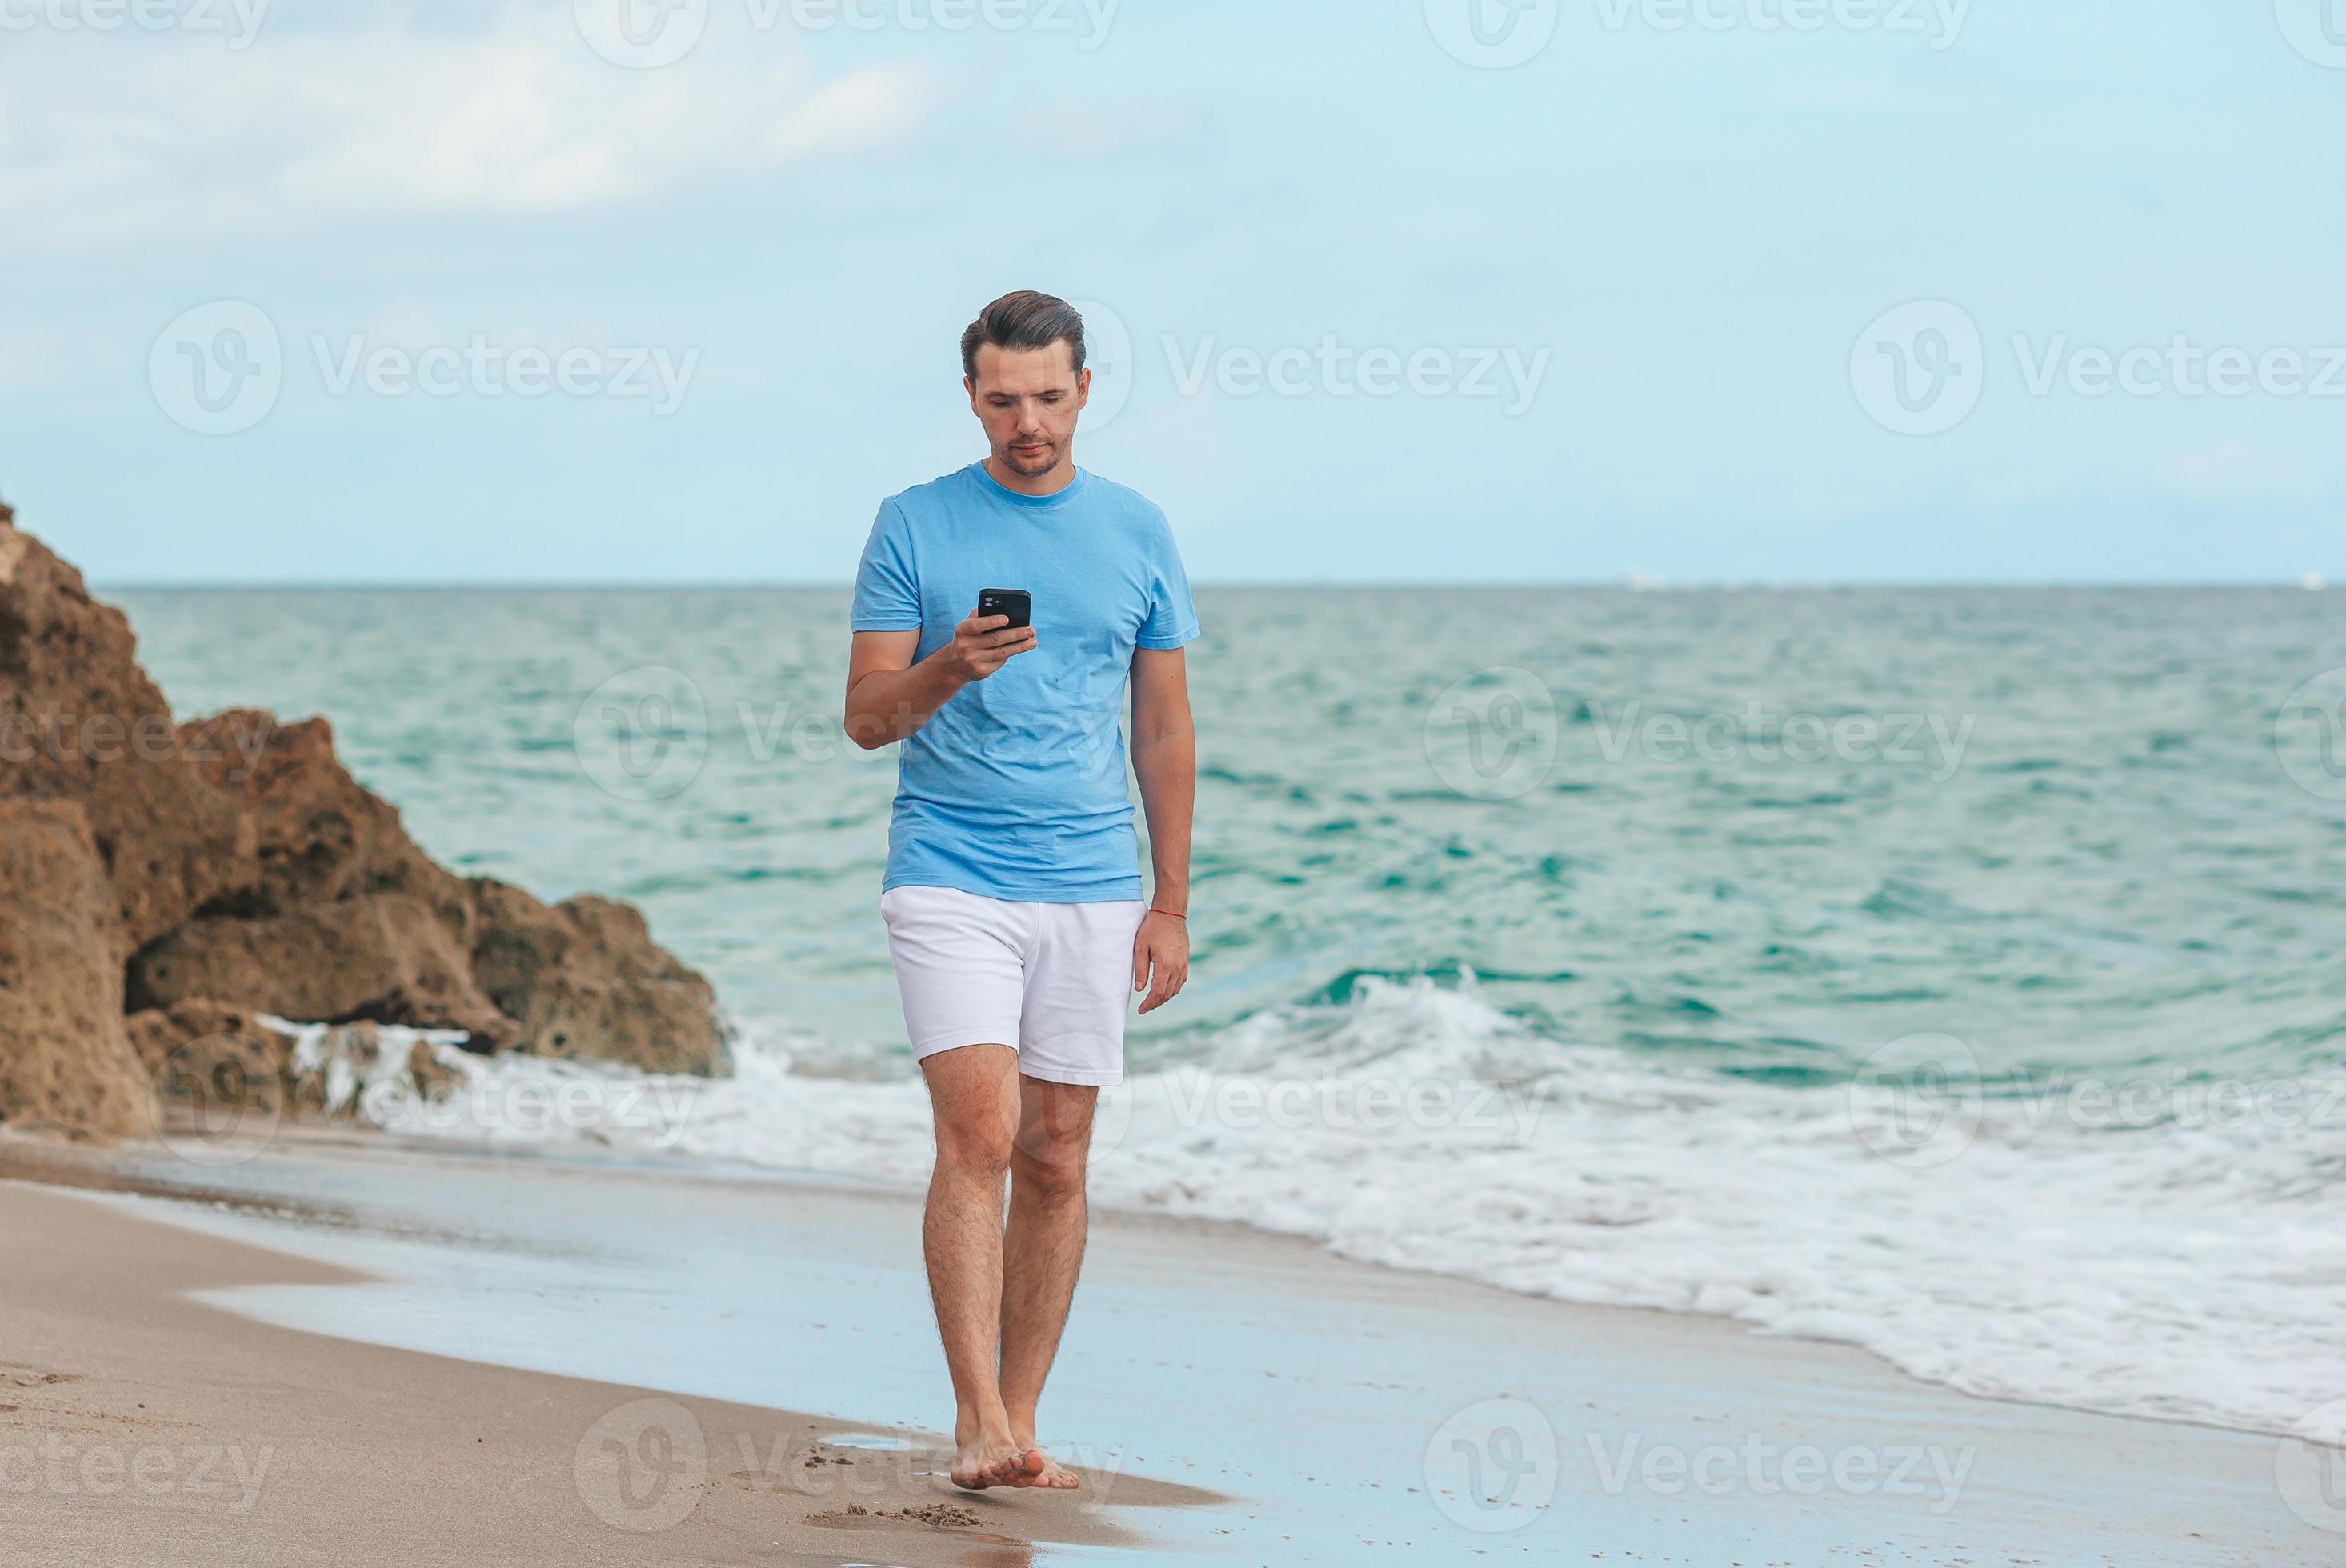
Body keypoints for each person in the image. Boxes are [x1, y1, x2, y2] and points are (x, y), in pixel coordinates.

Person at [843, 290, 1200, 1491]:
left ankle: (1025, 1411)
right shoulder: (914, 525)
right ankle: (975, 1417)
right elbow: (865, 721)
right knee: (980, 1136)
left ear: (1086, 389)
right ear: (972, 396)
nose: (1028, 421)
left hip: (1097, 884)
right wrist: (951, 663)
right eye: (1004, 399)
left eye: (1049, 396)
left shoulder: (1139, 529)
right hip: (951, 872)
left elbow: (1162, 726)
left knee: (1057, 1152)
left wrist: (1172, 901)